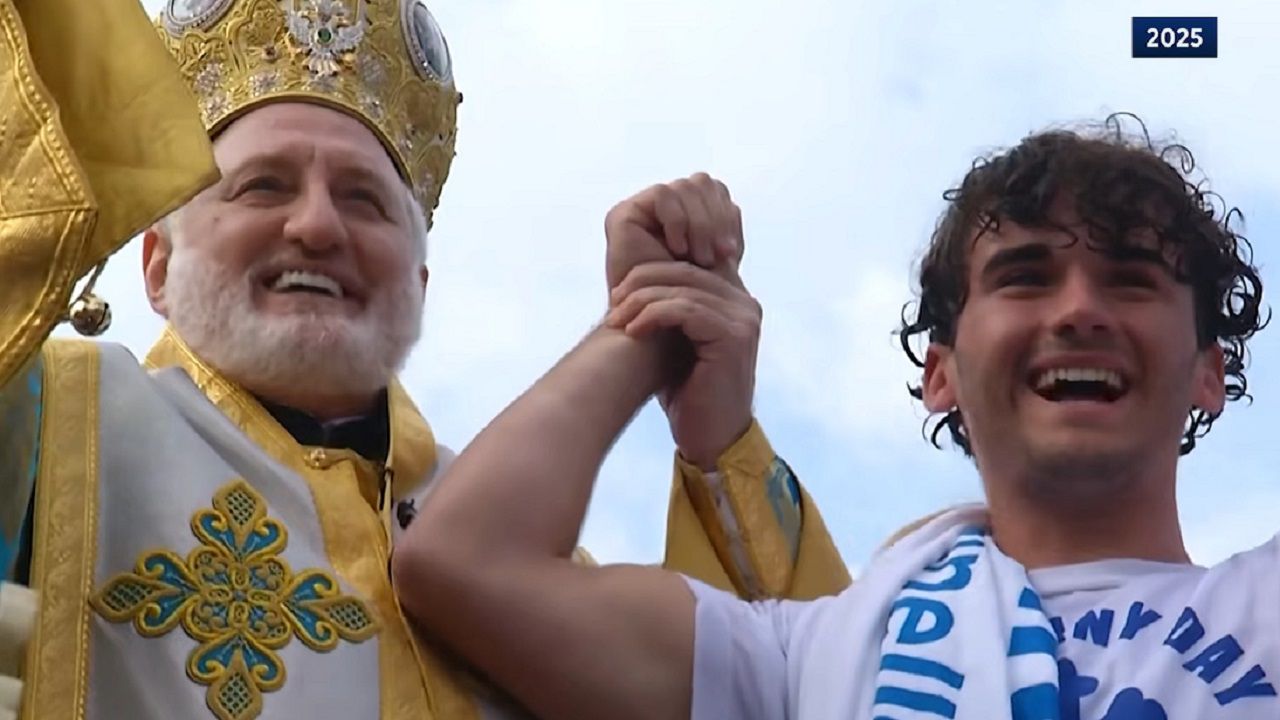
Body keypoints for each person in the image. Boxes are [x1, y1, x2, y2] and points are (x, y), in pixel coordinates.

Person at [0, 0, 849, 718]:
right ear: (156, 264)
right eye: (263, 187)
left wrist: (715, 434)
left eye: (365, 199)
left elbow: (805, 685)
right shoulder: (46, 415)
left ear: (418, 280)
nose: (318, 226)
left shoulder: (521, 564)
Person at [391, 114, 1279, 720]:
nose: (1079, 309)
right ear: (942, 376)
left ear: (1211, 373)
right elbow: (461, 561)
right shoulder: (801, 662)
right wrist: (653, 327)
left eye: (1131, 277)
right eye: (1026, 277)